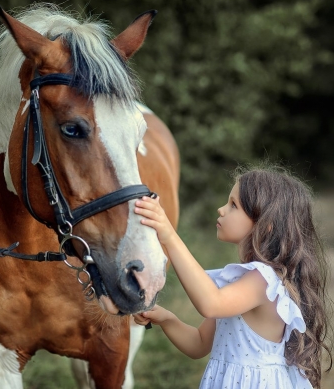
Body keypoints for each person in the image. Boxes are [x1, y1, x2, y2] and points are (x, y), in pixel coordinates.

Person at [133, 164, 332, 389]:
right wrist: (167, 319)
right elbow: (199, 344)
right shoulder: (240, 283)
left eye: (233, 205)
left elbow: (210, 304)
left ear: (265, 226)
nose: (221, 209)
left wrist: (168, 235)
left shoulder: (263, 281)